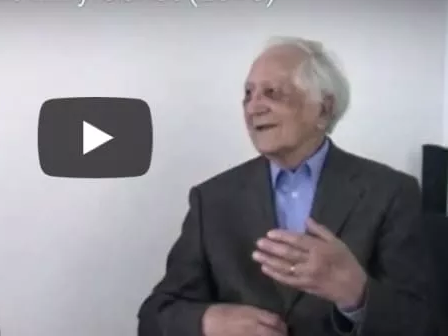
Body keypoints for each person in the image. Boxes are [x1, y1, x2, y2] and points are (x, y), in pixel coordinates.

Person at [137, 37, 439, 336]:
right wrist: (207, 322)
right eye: (248, 94)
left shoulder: (391, 192)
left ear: (323, 109)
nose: (253, 107)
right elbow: (154, 316)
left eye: (272, 93)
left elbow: (425, 324)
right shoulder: (212, 199)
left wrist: (357, 294)